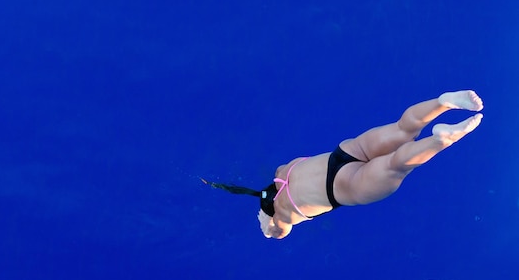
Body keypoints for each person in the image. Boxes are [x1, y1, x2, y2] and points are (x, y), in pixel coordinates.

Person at [202, 90, 484, 239]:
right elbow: (269, 193)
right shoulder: (282, 172)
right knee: (401, 129)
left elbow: (275, 233)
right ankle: (445, 101)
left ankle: (442, 140)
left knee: (396, 165)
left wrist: (266, 221)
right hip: (343, 154)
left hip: (340, 187)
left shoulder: (285, 216)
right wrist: (263, 202)